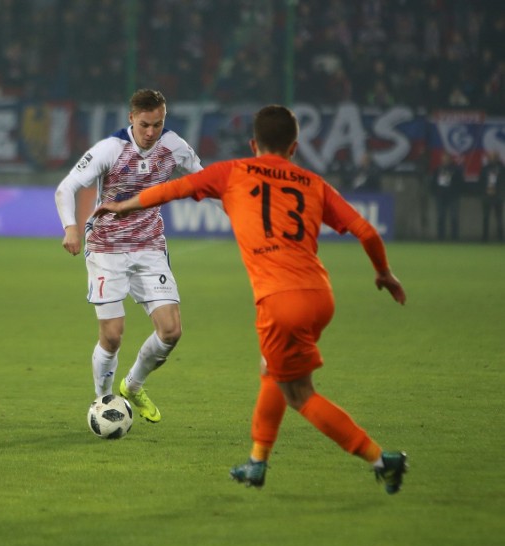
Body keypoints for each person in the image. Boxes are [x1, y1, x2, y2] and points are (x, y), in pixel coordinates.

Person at [95, 105, 408, 494]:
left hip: (280, 301)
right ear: (294, 147)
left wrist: (122, 205)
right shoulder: (313, 183)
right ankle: (257, 462)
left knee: (301, 395)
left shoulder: (232, 172)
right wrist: (383, 272)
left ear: (252, 143)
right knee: (272, 371)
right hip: (319, 295)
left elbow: (172, 189)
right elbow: (366, 231)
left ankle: (381, 459)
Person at [54, 88, 203, 422]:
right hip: (106, 248)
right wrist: (70, 228)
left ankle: (133, 385)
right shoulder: (110, 149)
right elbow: (66, 187)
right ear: (131, 118)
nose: (152, 132)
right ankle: (102, 401)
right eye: (146, 124)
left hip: (149, 247)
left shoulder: (174, 146)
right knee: (112, 335)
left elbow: (205, 180)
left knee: (171, 332)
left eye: (158, 124)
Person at [432, 153, 463, 241]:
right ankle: (440, 237)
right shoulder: (438, 169)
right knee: (440, 217)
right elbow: (434, 182)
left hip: (452, 196)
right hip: (440, 196)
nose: (444, 161)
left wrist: (455, 191)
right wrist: (436, 192)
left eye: (446, 159)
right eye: (443, 159)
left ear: (450, 159)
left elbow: (460, 183)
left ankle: (454, 237)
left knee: (454, 216)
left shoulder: (455, 170)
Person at [478, 150, 504, 242]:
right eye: (491, 156)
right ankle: (485, 237)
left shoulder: (501, 168)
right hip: (486, 196)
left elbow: (502, 182)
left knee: (499, 217)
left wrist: (497, 190)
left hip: (498, 196)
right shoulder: (485, 168)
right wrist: (485, 191)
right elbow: (481, 181)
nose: (492, 158)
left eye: (494, 156)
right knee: (485, 217)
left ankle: (500, 237)